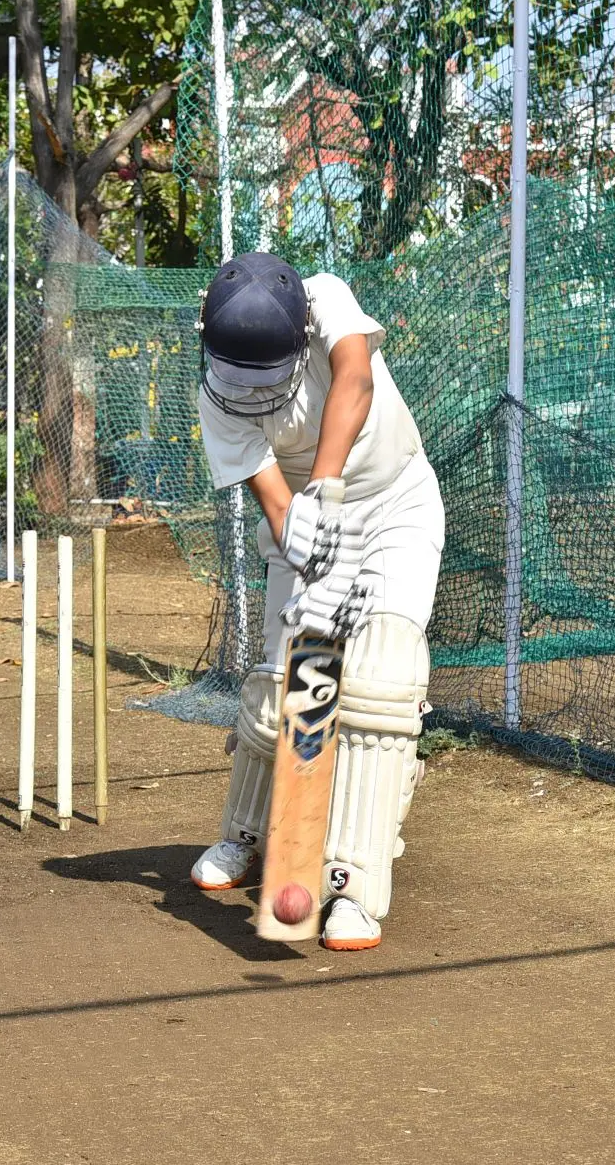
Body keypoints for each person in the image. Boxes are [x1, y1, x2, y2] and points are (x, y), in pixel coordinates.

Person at [186, 252, 445, 951]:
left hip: (393, 502)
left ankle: (352, 883)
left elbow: (354, 379)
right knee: (287, 685)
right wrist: (302, 536)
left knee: (383, 676)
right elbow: (273, 500)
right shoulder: (214, 397)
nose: (250, 394)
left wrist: (325, 485)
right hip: (304, 522)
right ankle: (249, 835)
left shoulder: (324, 298)